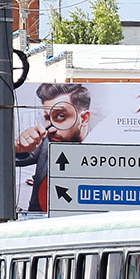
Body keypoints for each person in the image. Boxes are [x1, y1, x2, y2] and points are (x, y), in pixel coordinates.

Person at [15, 83, 93, 212]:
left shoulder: (103, 146)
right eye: (47, 117)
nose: (50, 127)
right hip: (40, 222)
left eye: (61, 116)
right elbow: (16, 158)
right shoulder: (46, 140)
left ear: (84, 118)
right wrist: (17, 147)